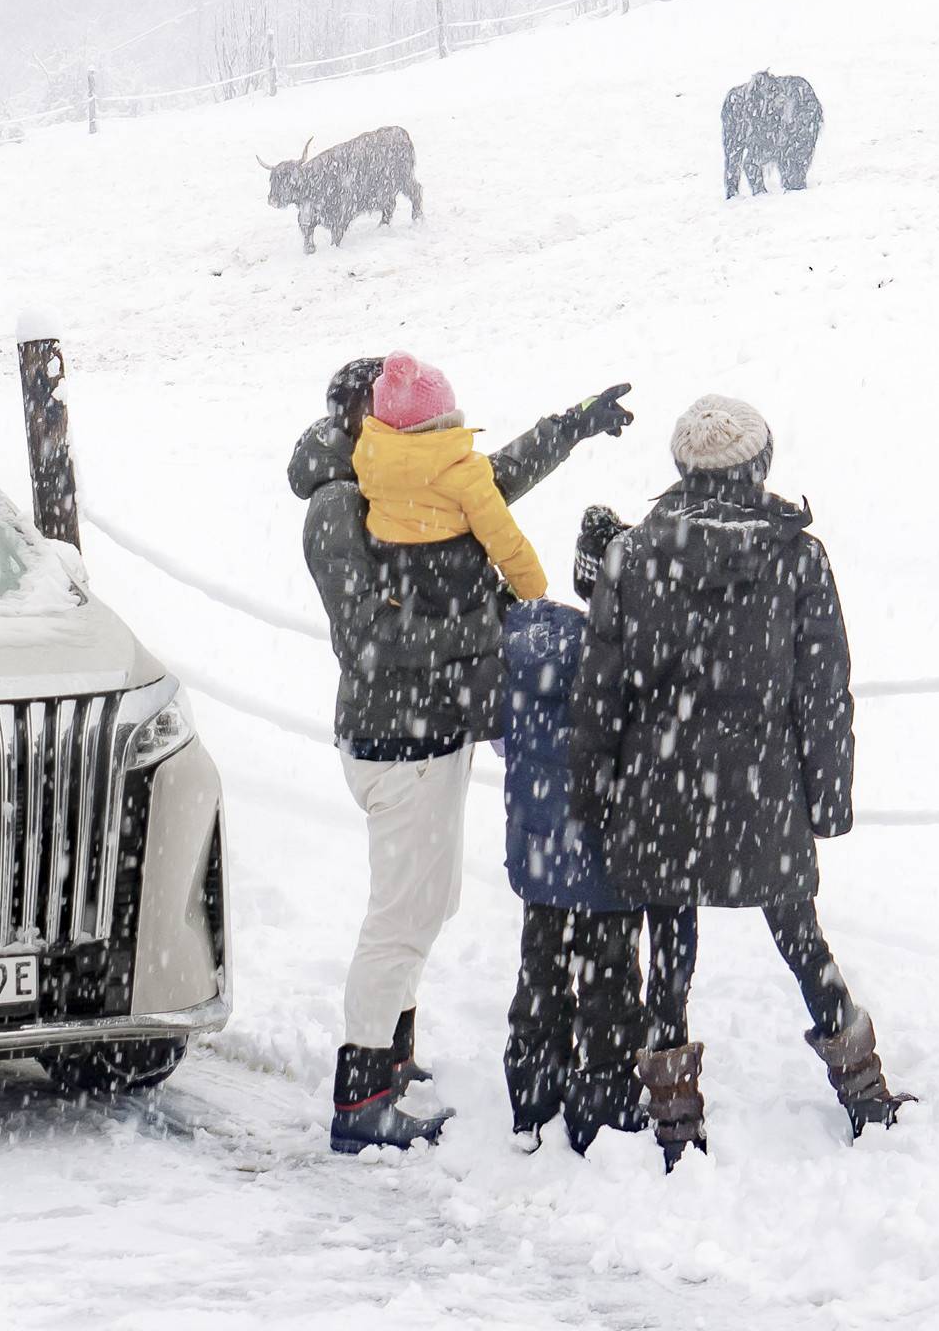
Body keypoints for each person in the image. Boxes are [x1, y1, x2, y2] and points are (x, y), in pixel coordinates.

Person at [289, 358, 635, 1154]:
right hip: (394, 738)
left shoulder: (402, 479)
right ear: (359, 421)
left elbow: (494, 476)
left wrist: (575, 422)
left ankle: (392, 1057)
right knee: (399, 920)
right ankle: (362, 1095)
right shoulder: (341, 507)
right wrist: (488, 634)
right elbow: (371, 642)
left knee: (428, 905)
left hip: (430, 734)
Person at [572, 393, 912, 1164]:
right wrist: (826, 801)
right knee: (801, 938)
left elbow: (601, 693)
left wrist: (592, 795)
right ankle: (864, 1090)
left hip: (661, 791)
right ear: (759, 466)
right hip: (764, 791)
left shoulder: (632, 555)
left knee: (669, 953)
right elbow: (823, 692)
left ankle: (675, 1119)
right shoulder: (797, 556)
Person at [497, 505, 694, 1155]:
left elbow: (508, 746)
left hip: (542, 860)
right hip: (610, 867)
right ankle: (600, 1106)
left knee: (541, 977)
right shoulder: (636, 667)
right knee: (610, 986)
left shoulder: (527, 649)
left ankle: (531, 1098)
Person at [351, 351, 551, 604]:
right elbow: (504, 541)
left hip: (401, 602)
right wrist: (534, 591)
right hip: (465, 602)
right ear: (444, 422)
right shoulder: (465, 473)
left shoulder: (370, 465)